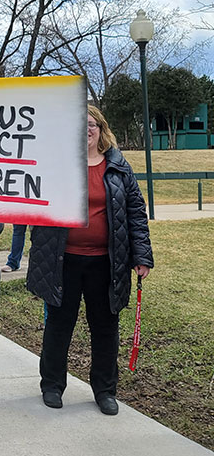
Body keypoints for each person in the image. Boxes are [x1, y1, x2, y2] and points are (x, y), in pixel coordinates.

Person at [27, 105, 153, 416]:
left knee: (106, 327)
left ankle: (105, 390)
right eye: (80, 124)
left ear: (101, 128)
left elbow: (136, 213)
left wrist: (142, 255)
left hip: (107, 263)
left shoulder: (119, 167)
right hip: (63, 260)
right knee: (59, 325)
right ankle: (52, 385)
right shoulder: (57, 165)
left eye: (92, 124)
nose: (86, 129)